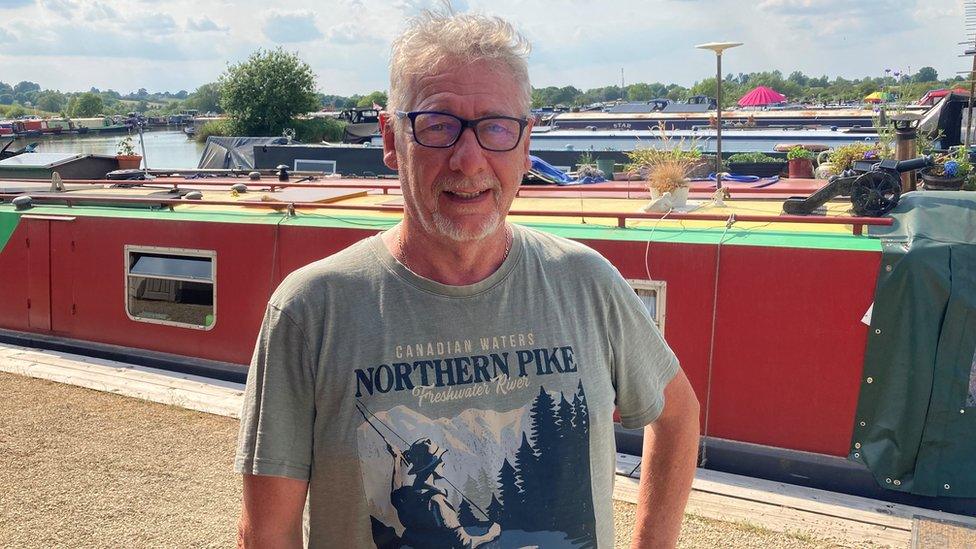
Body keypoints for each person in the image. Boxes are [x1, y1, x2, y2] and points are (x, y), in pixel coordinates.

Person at [235, 8, 699, 549]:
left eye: (496, 127)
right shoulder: (312, 309)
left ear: (526, 146)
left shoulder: (586, 284)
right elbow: (267, 533)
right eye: (438, 125)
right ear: (391, 140)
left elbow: (678, 414)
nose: (468, 159)